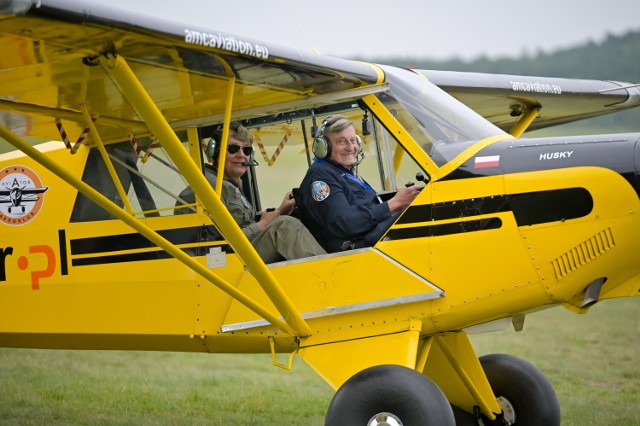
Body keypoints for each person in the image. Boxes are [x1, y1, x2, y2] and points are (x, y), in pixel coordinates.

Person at [177, 122, 326, 263]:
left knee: (291, 218)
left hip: (236, 254)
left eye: (247, 150)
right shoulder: (209, 187)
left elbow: (237, 224)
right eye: (233, 149)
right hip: (221, 261)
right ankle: (330, 275)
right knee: (285, 227)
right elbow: (220, 243)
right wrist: (262, 225)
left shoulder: (227, 184)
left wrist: (280, 211)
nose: (242, 155)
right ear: (215, 151)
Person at [296, 114, 422, 253]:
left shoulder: (344, 173)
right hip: (355, 248)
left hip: (370, 238)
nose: (351, 147)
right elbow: (345, 223)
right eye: (342, 142)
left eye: (353, 140)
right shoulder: (321, 176)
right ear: (324, 147)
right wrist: (394, 203)